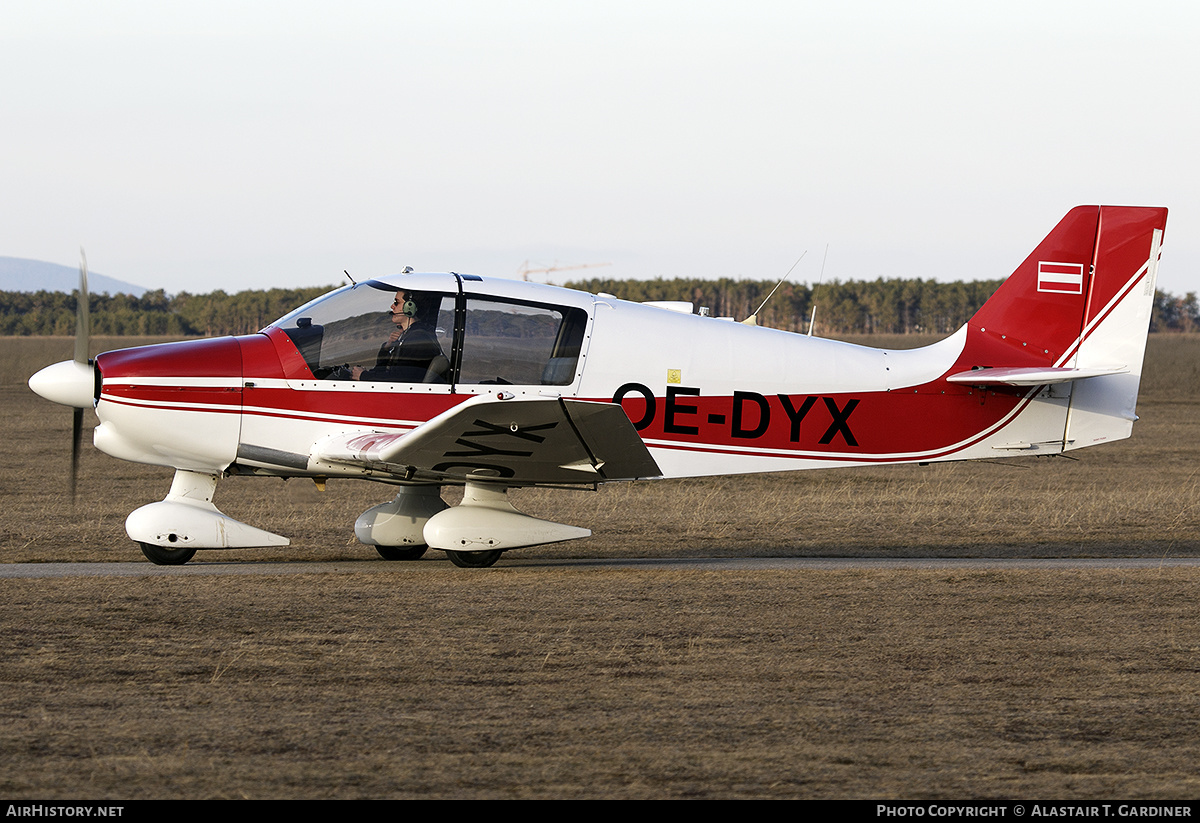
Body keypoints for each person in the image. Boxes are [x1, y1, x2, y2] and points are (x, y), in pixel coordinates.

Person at [352, 291, 446, 382]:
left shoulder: (416, 339)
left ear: (410, 307)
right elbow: (385, 371)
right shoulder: (408, 336)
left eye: (396, 303)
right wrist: (387, 348)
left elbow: (399, 379)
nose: (392, 307)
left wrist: (363, 376)